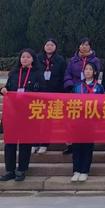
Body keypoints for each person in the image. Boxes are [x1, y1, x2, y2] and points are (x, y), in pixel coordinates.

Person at [0, 49, 45, 182]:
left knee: (25, 143)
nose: (24, 59)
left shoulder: (37, 74)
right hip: (12, 113)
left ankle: (22, 169)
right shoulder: (13, 73)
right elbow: (7, 88)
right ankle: (10, 170)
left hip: (28, 114)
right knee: (10, 143)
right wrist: (3, 90)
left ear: (32, 59)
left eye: (27, 57)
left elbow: (42, 92)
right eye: (22, 57)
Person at [63, 37, 102, 155]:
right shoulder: (73, 60)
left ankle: (87, 143)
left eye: (86, 45)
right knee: (72, 120)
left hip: (89, 93)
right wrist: (70, 86)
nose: (83, 47)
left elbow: (97, 73)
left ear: (90, 47)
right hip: (75, 92)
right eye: (81, 44)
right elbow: (67, 74)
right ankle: (71, 144)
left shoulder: (95, 60)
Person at [70, 62, 105, 182]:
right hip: (78, 120)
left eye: (90, 69)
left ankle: (85, 170)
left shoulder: (99, 87)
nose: (88, 71)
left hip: (91, 121)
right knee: (77, 146)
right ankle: (76, 170)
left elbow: (102, 104)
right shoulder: (77, 86)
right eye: (86, 69)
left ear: (95, 72)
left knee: (87, 146)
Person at [34, 38, 66, 154]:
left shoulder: (60, 60)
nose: (49, 47)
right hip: (39, 94)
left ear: (55, 47)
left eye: (52, 45)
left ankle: (44, 143)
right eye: (47, 45)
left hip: (53, 94)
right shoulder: (38, 58)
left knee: (48, 120)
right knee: (36, 118)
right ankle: (35, 142)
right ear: (44, 46)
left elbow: (63, 76)